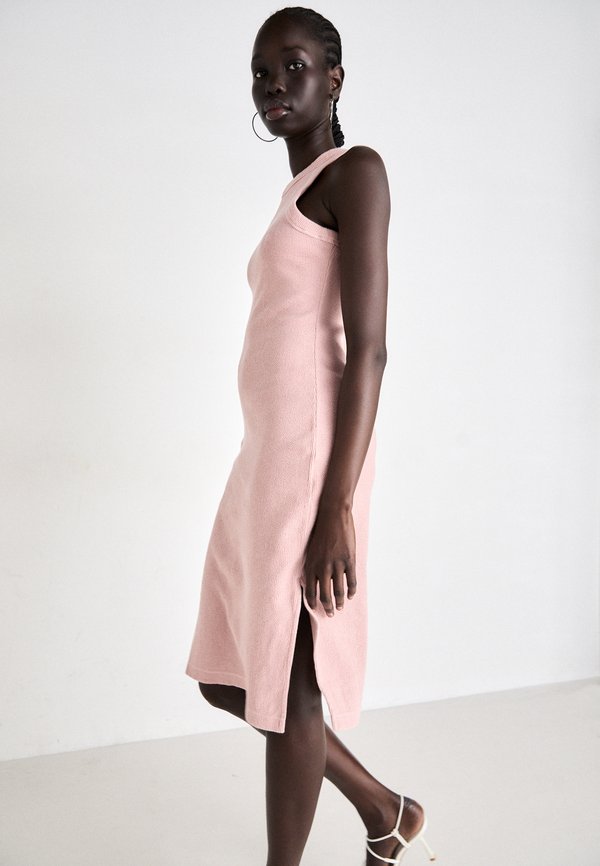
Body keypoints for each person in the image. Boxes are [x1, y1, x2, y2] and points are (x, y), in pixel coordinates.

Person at [185, 7, 436, 865]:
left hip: (313, 468)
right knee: (230, 674)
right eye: (262, 72)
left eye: (293, 65)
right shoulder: (293, 196)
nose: (273, 84)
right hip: (262, 465)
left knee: (290, 685)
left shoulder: (355, 172)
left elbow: (370, 351)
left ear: (335, 78)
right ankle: (385, 809)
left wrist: (338, 510)